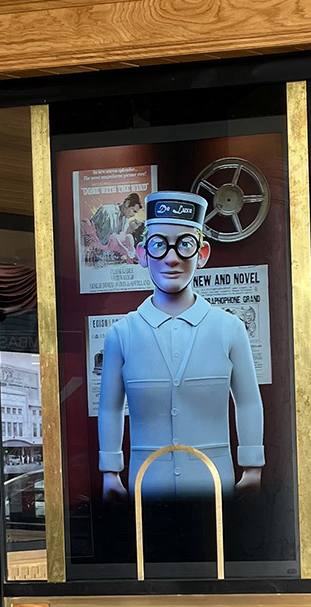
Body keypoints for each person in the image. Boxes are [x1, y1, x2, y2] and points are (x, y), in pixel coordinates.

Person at [97, 191, 264, 503]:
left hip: (213, 483)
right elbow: (110, 407)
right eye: (159, 245)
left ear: (202, 253)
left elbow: (248, 402)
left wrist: (252, 466)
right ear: (143, 253)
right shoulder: (122, 333)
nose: (172, 258)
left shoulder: (229, 328)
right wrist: (110, 471)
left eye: (185, 244)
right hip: (147, 484)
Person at [85, 192, 143, 262]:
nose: (134, 215)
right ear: (127, 203)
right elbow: (88, 229)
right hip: (96, 253)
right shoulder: (106, 211)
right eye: (133, 211)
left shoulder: (125, 221)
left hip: (109, 258)